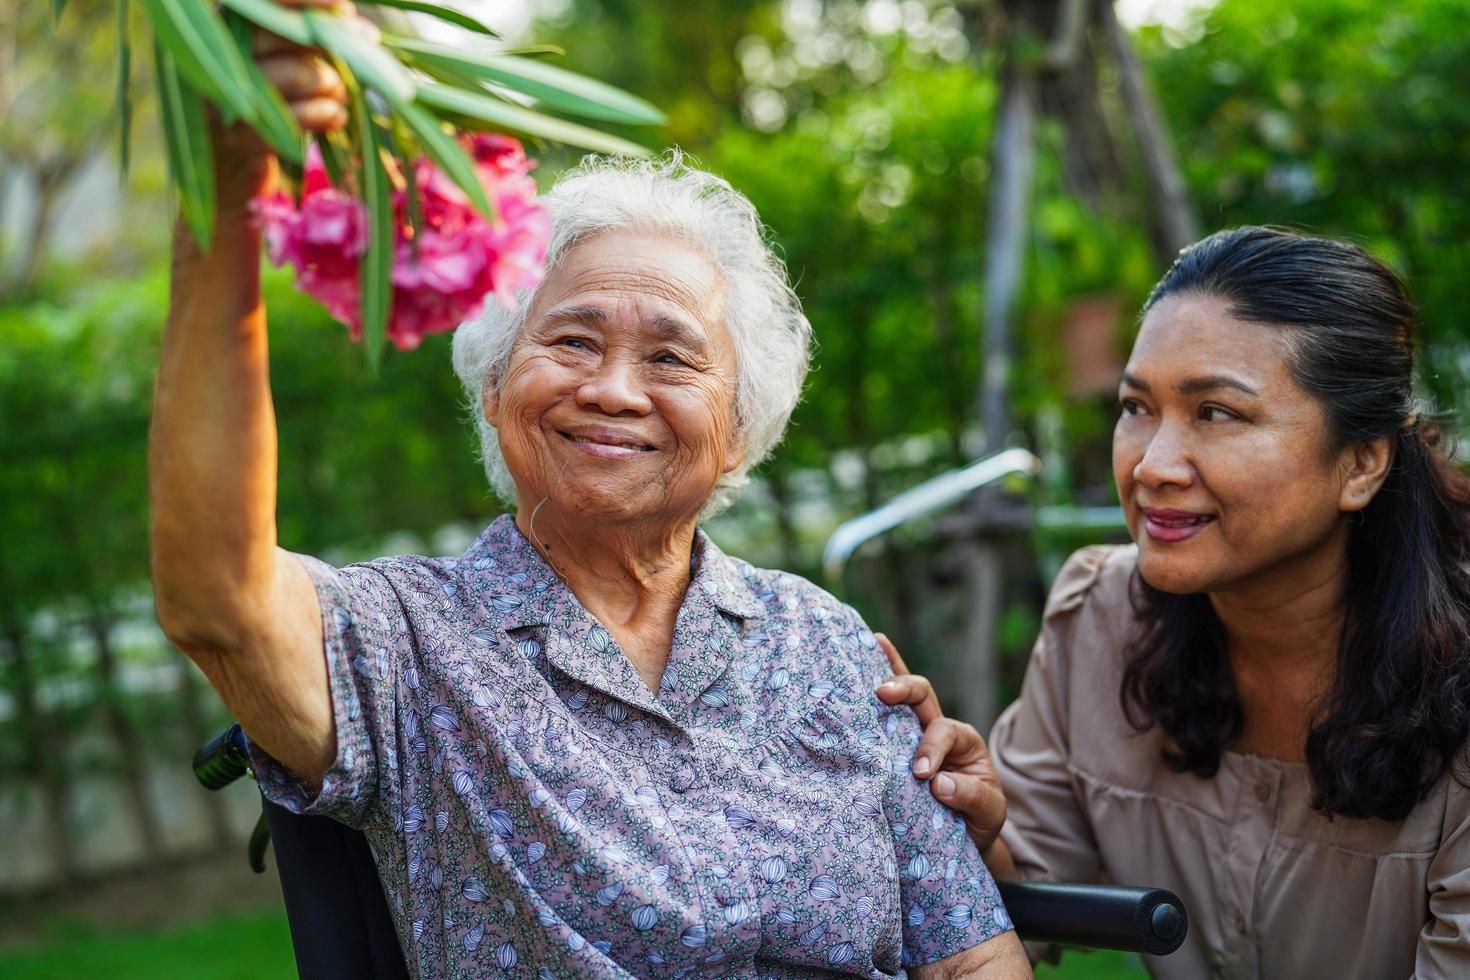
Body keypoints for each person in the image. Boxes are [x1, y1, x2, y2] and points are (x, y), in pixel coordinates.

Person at [147, 5, 1029, 976]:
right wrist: (227, 200)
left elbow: (970, 955)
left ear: (739, 432)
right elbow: (216, 601)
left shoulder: (827, 644)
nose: (612, 389)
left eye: (671, 355)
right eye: (571, 340)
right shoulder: (407, 645)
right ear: (494, 388)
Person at [879, 226, 1470, 978]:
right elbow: (1017, 915)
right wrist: (973, 822)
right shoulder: (1099, 615)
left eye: (1216, 412)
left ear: (1360, 463)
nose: (1152, 465)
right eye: (1136, 407)